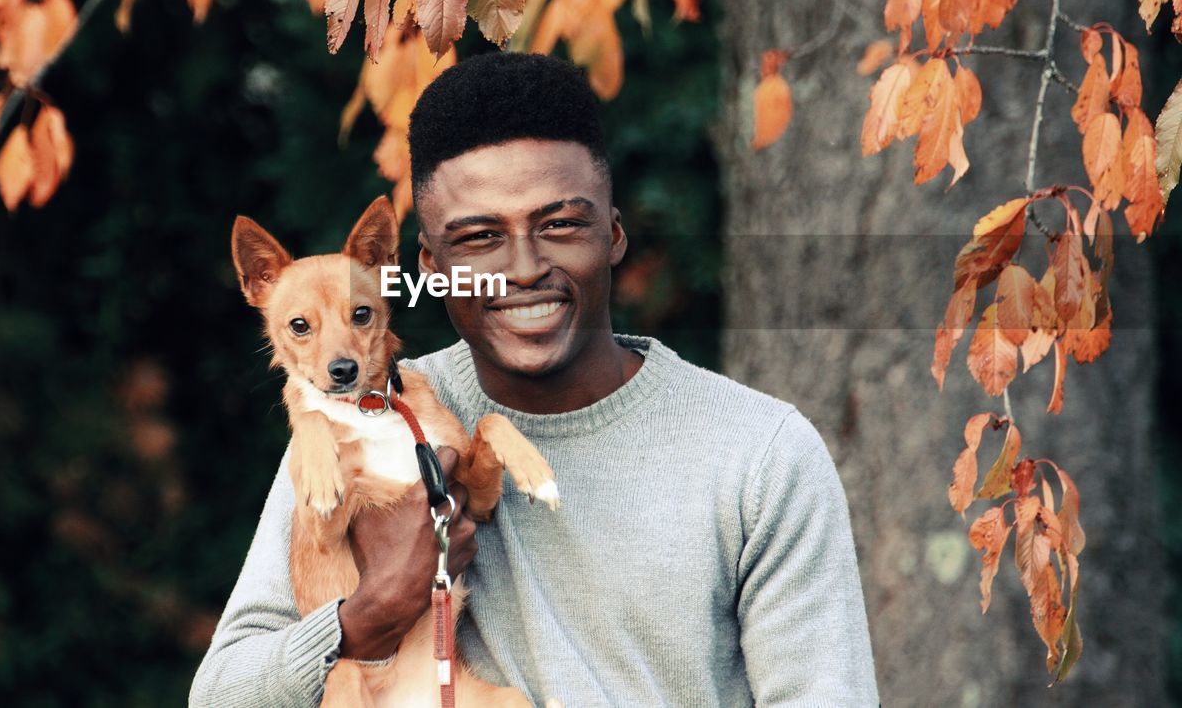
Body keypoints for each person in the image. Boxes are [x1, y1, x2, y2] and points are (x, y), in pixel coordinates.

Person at [189, 52, 879, 706]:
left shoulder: (760, 453)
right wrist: (367, 615)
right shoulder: (361, 416)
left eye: (559, 223)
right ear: (428, 266)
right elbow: (219, 691)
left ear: (611, 234)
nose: (521, 267)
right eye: (480, 237)